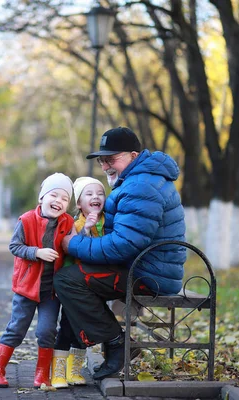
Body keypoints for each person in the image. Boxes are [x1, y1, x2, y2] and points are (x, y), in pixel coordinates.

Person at [54, 127, 186, 381]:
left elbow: (122, 245)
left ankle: (117, 344)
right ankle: (112, 342)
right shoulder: (142, 180)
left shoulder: (141, 186)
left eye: (111, 159)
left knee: (66, 280)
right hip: (147, 268)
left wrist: (72, 245)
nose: (105, 166)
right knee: (73, 277)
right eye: (102, 160)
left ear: (133, 155)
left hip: (149, 276)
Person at [0, 173, 75, 388]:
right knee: (17, 328)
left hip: (51, 291)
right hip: (26, 288)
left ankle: (41, 376)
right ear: (41, 198)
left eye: (64, 199)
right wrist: (37, 252)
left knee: (47, 331)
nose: (58, 201)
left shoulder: (68, 222)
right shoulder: (26, 220)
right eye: (53, 195)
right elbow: (14, 246)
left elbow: (73, 247)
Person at [51, 177, 106, 388]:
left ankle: (74, 370)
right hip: (75, 284)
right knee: (67, 325)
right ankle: (58, 372)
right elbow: (73, 247)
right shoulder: (75, 224)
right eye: (89, 194)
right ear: (80, 204)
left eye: (100, 193)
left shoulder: (109, 222)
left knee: (83, 328)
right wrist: (86, 229)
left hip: (97, 285)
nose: (95, 197)